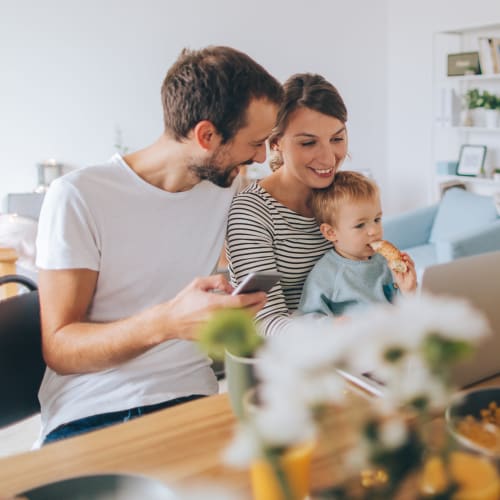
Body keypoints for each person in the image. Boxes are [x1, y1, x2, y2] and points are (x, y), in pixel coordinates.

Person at [35, 46, 283, 443]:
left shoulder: (228, 186)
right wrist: (167, 323)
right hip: (95, 410)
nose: (261, 156)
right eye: (255, 142)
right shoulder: (79, 196)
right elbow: (60, 348)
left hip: (193, 401)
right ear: (206, 135)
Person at [226, 73, 348, 336]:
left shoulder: (345, 195)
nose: (329, 158)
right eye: (308, 143)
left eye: (337, 139)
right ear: (276, 143)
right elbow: (265, 321)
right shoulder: (252, 212)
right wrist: (336, 332)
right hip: (289, 359)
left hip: (352, 349)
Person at [297, 171, 417, 317]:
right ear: (331, 233)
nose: (373, 231)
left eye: (377, 220)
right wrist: (335, 325)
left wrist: (408, 290)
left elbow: (403, 309)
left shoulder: (385, 262)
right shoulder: (326, 273)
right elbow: (307, 318)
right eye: (360, 225)